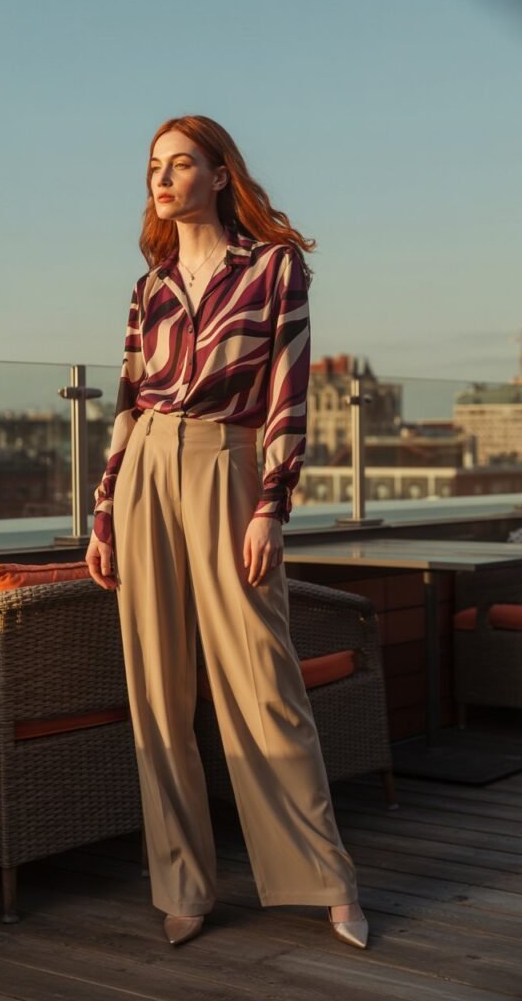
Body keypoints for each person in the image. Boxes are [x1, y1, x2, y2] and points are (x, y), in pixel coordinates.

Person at [86, 114, 368, 950]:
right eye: (152, 169)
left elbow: (288, 391)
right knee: (158, 691)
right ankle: (184, 885)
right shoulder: (150, 287)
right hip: (145, 476)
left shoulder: (274, 268)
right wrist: (103, 512)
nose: (162, 181)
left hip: (230, 462)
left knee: (264, 680)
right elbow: (129, 404)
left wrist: (271, 505)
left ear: (219, 174)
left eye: (179, 165)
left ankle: (328, 880)